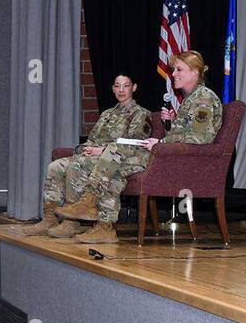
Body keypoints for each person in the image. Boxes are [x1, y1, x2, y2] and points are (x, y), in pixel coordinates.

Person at [58, 50, 223, 243]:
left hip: (179, 164)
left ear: (195, 72)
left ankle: (89, 201)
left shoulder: (203, 97)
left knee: (114, 151)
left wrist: (161, 141)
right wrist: (170, 124)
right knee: (114, 169)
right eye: (174, 70)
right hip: (168, 157)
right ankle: (105, 227)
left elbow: (200, 138)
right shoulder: (191, 99)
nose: (174, 74)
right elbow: (186, 136)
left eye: (179, 69)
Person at [17, 73, 151, 238]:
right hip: (97, 155)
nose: (121, 90)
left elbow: (133, 144)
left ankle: (74, 219)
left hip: (123, 157)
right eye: (117, 86)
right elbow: (92, 139)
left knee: (78, 164)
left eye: (126, 85)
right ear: (112, 88)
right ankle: (51, 218)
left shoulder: (140, 113)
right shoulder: (107, 114)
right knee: (56, 166)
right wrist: (86, 149)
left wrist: (100, 150)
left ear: (134, 87)